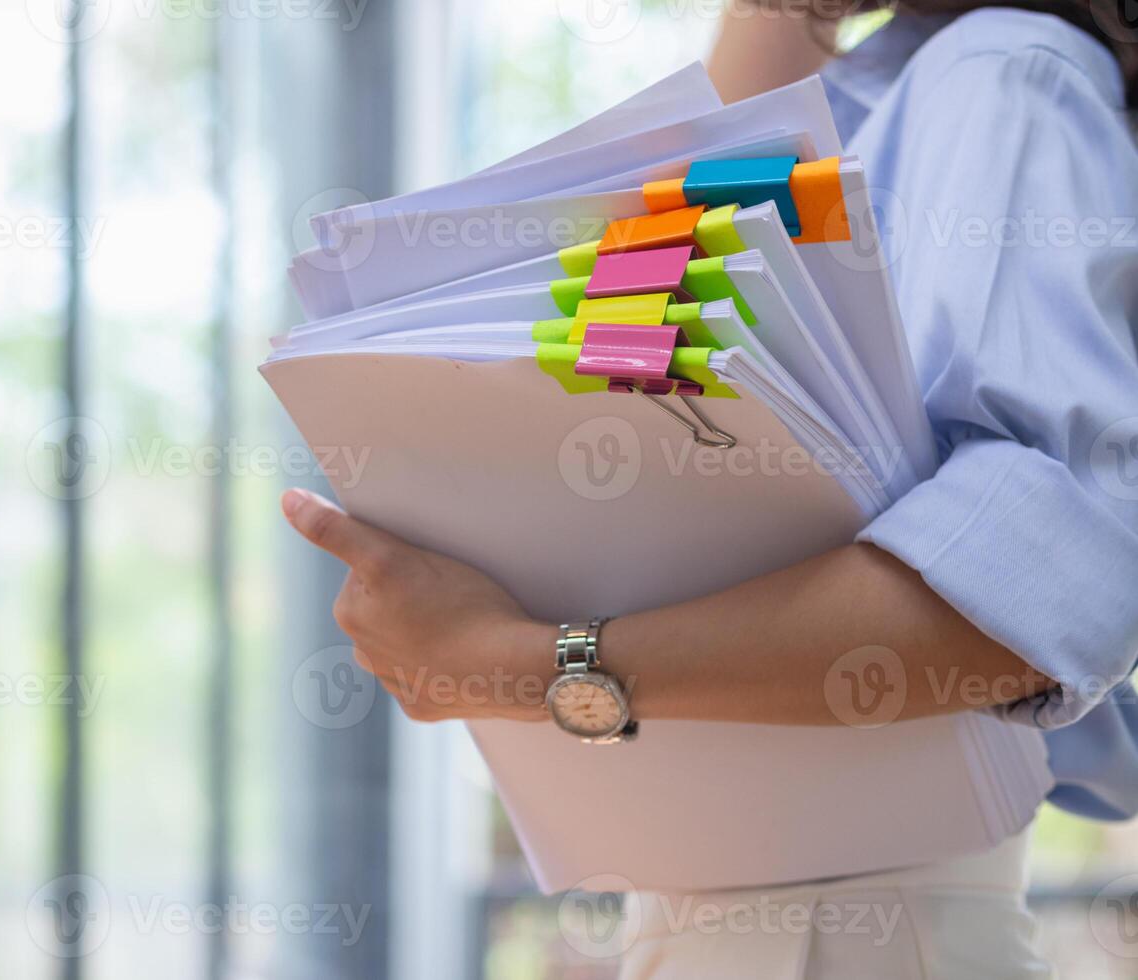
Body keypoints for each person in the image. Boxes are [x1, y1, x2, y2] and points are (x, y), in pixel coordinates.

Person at [282, 2, 1138, 975]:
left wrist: (519, 663)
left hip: (861, 930)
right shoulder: (875, 94)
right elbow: (695, 216)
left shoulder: (1007, 72)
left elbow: (1027, 592)